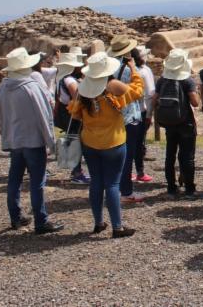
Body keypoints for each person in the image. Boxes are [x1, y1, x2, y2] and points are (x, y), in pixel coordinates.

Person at [68, 51, 144, 238]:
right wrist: (133, 68)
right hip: (114, 142)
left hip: (90, 142)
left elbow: (75, 114)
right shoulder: (112, 85)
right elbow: (137, 90)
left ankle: (98, 223)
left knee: (96, 182)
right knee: (112, 184)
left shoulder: (82, 89)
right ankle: (117, 227)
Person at [0, 48, 63, 233]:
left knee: (14, 180)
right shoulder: (31, 87)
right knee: (37, 183)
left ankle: (16, 217)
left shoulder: (3, 86)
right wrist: (51, 143)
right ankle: (41, 221)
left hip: (13, 141)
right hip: (33, 141)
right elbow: (44, 116)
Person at [151, 49, 199, 198]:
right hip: (186, 123)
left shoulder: (162, 80)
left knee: (170, 155)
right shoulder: (187, 81)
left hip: (169, 123)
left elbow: (154, 100)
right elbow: (195, 103)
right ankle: (189, 189)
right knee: (187, 156)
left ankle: (171, 188)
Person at [106, 35, 145, 204]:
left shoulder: (108, 68)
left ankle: (113, 188)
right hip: (130, 116)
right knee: (127, 157)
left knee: (114, 156)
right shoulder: (128, 70)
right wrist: (134, 68)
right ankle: (126, 192)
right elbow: (138, 91)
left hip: (114, 115)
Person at [53, 52, 89, 184]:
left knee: (76, 141)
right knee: (77, 143)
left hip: (68, 114)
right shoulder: (69, 80)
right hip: (73, 116)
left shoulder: (62, 78)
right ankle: (77, 173)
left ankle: (77, 171)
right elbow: (78, 98)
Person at [134, 46, 155, 183]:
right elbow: (150, 94)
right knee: (139, 141)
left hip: (127, 110)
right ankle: (140, 171)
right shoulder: (145, 71)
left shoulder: (126, 70)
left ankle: (127, 171)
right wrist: (149, 114)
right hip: (141, 110)